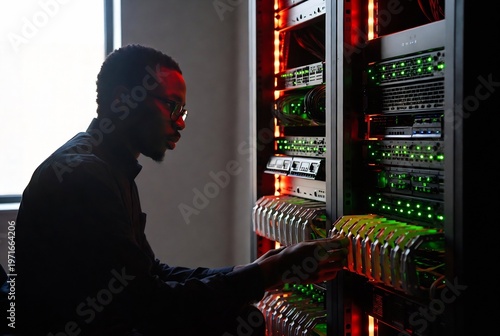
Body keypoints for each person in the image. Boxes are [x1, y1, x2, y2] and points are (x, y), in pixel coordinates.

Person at [10, 44, 349, 336]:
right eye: (172, 106)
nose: (181, 122)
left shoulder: (107, 166)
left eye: (183, 110)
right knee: (240, 322)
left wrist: (255, 269)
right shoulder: (84, 177)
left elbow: (151, 273)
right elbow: (148, 304)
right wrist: (267, 274)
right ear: (122, 100)